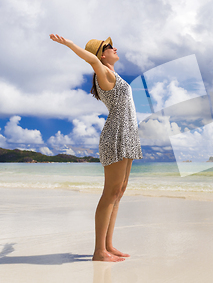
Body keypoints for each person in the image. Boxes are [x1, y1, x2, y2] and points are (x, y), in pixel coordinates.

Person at [49, 34, 143, 262]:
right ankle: (99, 251)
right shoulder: (103, 71)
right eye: (110, 47)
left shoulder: (114, 74)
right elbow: (92, 61)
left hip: (128, 135)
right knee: (109, 193)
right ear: (102, 54)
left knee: (118, 193)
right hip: (116, 135)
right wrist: (70, 44)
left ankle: (108, 245)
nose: (116, 48)